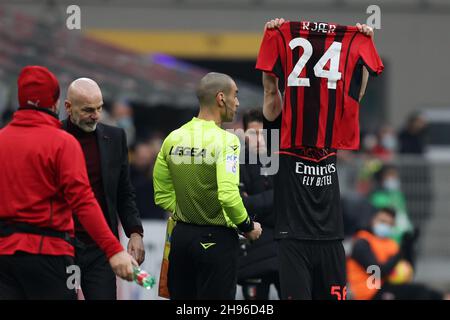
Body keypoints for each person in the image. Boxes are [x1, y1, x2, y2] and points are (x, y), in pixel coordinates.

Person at [259, 18, 379, 300]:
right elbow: (269, 91)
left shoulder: (330, 133)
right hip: (293, 241)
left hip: (331, 240)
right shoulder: (281, 135)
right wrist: (271, 37)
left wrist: (364, 43)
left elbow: (354, 96)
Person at [0, 66, 135, 300]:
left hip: (4, 258)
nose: (96, 115)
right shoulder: (62, 143)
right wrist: (113, 249)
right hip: (49, 255)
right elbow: (83, 201)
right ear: (57, 103)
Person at [153, 72, 262, 300]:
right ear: (221, 98)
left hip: (181, 239)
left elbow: (161, 195)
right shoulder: (227, 141)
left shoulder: (173, 138)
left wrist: (190, 209)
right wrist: (248, 226)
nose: (238, 102)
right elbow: (228, 196)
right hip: (218, 241)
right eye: (236, 95)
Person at [63, 78, 145, 300]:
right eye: (88, 110)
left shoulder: (115, 137)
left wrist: (135, 232)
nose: (96, 115)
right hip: (61, 249)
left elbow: (124, 192)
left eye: (99, 108)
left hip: (101, 249)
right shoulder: (53, 137)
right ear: (68, 107)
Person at [347, 207, 448, 300]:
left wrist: (409, 248)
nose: (385, 225)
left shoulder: (390, 244)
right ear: (372, 220)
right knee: (419, 293)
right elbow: (377, 271)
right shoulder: (362, 242)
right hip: (368, 292)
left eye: (389, 224)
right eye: (382, 221)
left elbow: (408, 271)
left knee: (423, 292)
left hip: (386, 287)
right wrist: (401, 252)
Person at [238, 109, 280, 300]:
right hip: (252, 252)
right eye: (252, 133)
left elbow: (290, 199)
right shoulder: (236, 163)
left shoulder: (283, 159)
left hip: (284, 251)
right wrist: (275, 198)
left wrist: (252, 201)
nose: (258, 139)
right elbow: (237, 203)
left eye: (263, 133)